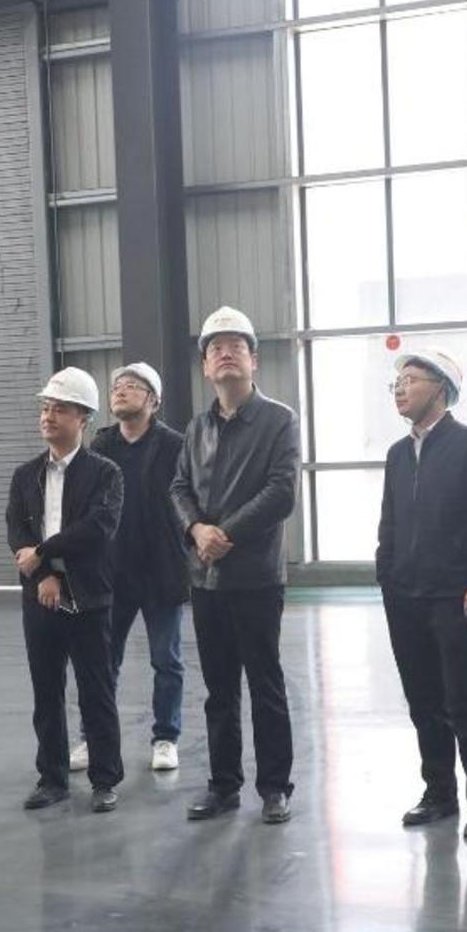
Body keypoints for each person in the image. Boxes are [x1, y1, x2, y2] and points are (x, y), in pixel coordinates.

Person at [169, 306, 302, 825]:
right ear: (206, 366)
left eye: (236, 347)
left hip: (256, 578)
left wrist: (225, 533)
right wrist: (196, 530)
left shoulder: (279, 420)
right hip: (206, 578)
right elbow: (179, 487)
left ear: (254, 361)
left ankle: (274, 788)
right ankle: (224, 786)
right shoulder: (196, 428)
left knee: (265, 684)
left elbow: (281, 491)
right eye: (216, 349)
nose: (226, 354)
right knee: (219, 688)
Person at [376, 349, 467, 839]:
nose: (400, 388)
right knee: (423, 700)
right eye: (396, 382)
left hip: (455, 595)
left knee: (464, 699)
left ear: (441, 388)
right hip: (404, 595)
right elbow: (389, 521)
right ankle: (439, 793)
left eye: (410, 379)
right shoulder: (397, 454)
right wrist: (386, 574)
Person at [6, 367, 126, 813]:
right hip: (40, 597)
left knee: (96, 691)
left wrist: (43, 551)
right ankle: (52, 778)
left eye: (59, 409)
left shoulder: (105, 474)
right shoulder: (25, 475)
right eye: (45, 408)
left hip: (89, 597)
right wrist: (43, 573)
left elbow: (97, 528)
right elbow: (16, 530)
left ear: (84, 418)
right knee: (46, 691)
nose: (48, 416)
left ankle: (105, 780)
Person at [87, 361, 189, 772]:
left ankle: (166, 737)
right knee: (102, 661)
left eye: (132, 385)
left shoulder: (175, 445)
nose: (121, 390)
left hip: (162, 570)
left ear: (153, 400)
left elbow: (190, 499)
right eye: (117, 386)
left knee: (166, 660)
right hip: (113, 573)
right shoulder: (101, 444)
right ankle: (94, 737)